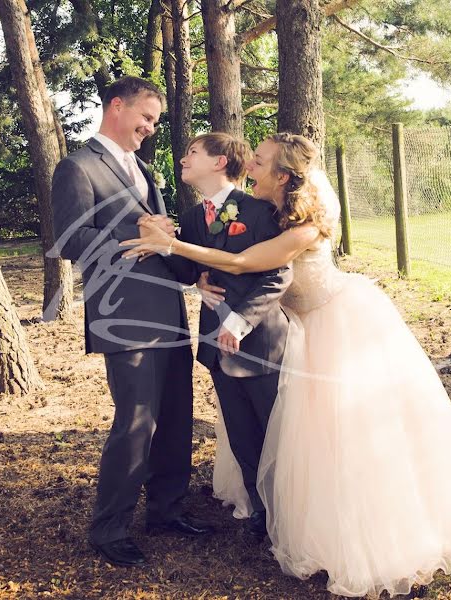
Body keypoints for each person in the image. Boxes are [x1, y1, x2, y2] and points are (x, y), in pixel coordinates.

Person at [122, 133, 451, 597]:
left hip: (332, 323)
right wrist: (186, 263)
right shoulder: (262, 211)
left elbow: (246, 264)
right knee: (284, 432)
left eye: (258, 161)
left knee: (331, 431)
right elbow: (219, 266)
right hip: (290, 326)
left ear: (283, 175)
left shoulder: (305, 225)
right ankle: (273, 512)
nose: (248, 167)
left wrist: (175, 248)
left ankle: (338, 515)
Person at [50, 76, 209, 568]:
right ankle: (109, 528)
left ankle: (165, 511)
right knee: (136, 424)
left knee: (177, 419)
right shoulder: (76, 168)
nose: (149, 128)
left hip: (169, 313)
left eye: (155, 121)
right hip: (124, 318)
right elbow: (73, 242)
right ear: (115, 106)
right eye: (146, 117)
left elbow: (160, 240)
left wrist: (192, 264)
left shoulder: (144, 169)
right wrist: (135, 230)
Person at [160, 132, 292, 538]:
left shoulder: (259, 211)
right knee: (242, 437)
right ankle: (263, 516)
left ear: (219, 163)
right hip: (217, 346)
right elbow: (190, 270)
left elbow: (278, 274)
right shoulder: (192, 214)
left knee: (279, 437)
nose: (183, 158)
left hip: (260, 342)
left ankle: (292, 518)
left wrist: (240, 322)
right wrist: (176, 254)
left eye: (192, 152)